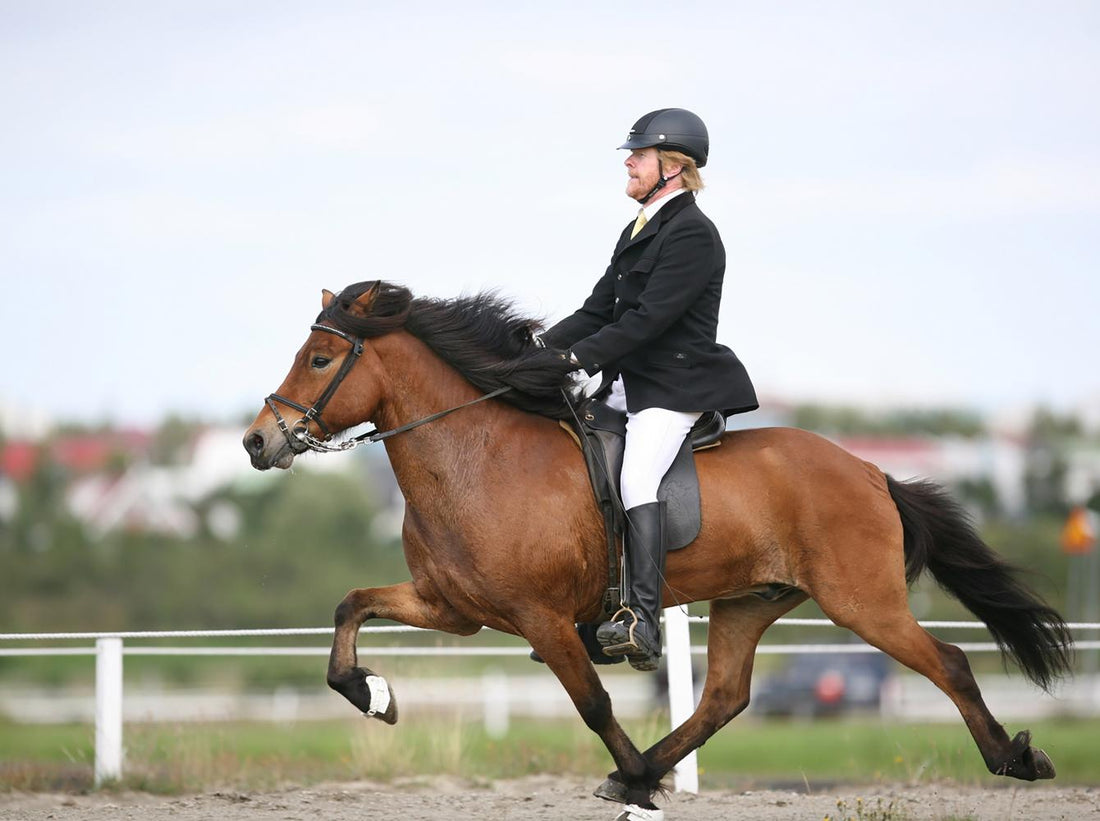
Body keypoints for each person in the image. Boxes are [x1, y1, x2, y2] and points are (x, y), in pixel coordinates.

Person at [541, 108, 758, 671]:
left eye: (638, 155)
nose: (629, 162)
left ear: (674, 166)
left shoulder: (693, 234)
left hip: (672, 387)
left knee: (638, 476)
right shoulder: (638, 228)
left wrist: (576, 358)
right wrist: (535, 350)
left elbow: (648, 321)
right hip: (628, 383)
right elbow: (597, 310)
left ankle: (640, 618)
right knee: (578, 458)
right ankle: (591, 609)